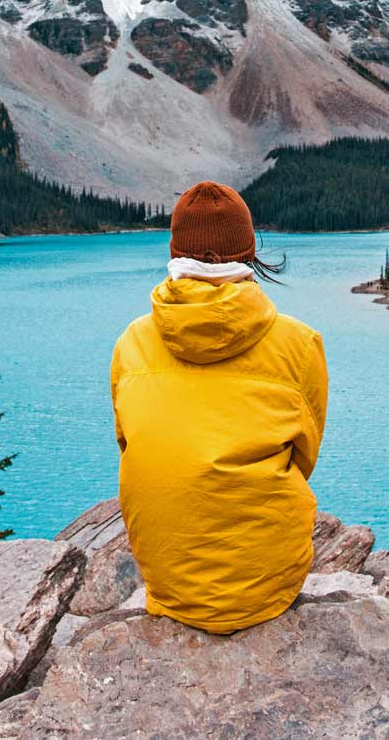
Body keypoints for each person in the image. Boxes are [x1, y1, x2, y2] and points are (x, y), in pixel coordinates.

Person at [110, 181, 329, 634]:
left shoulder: (132, 342)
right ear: (247, 252)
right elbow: (304, 456)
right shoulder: (300, 344)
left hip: (168, 585)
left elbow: (129, 445)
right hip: (266, 587)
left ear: (175, 252)